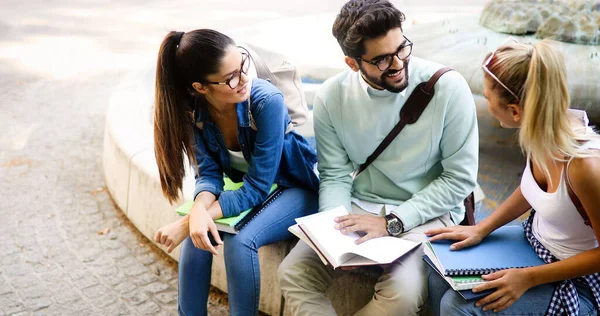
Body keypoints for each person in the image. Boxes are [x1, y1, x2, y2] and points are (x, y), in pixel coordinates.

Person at [276, 1, 479, 315]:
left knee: (404, 294)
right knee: (292, 273)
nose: (398, 63)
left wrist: (393, 223)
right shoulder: (332, 96)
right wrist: (333, 236)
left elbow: (459, 179)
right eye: (383, 59)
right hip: (360, 206)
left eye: (402, 48)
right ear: (352, 63)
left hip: (426, 214)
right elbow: (335, 174)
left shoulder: (448, 88)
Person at [150, 29, 319, 316]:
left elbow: (256, 186)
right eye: (230, 78)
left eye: (242, 66)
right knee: (197, 236)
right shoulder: (192, 110)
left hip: (296, 186)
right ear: (200, 87)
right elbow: (209, 175)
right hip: (258, 190)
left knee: (240, 242)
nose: (244, 80)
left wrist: (189, 220)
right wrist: (199, 214)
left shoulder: (266, 101)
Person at [426, 39, 600, 315]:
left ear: (516, 111)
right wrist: (481, 228)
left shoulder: (585, 167)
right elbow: (532, 191)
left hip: (578, 282)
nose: (485, 103)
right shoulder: (542, 128)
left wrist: (527, 278)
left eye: (487, 98)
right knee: (438, 270)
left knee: (457, 307)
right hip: (534, 243)